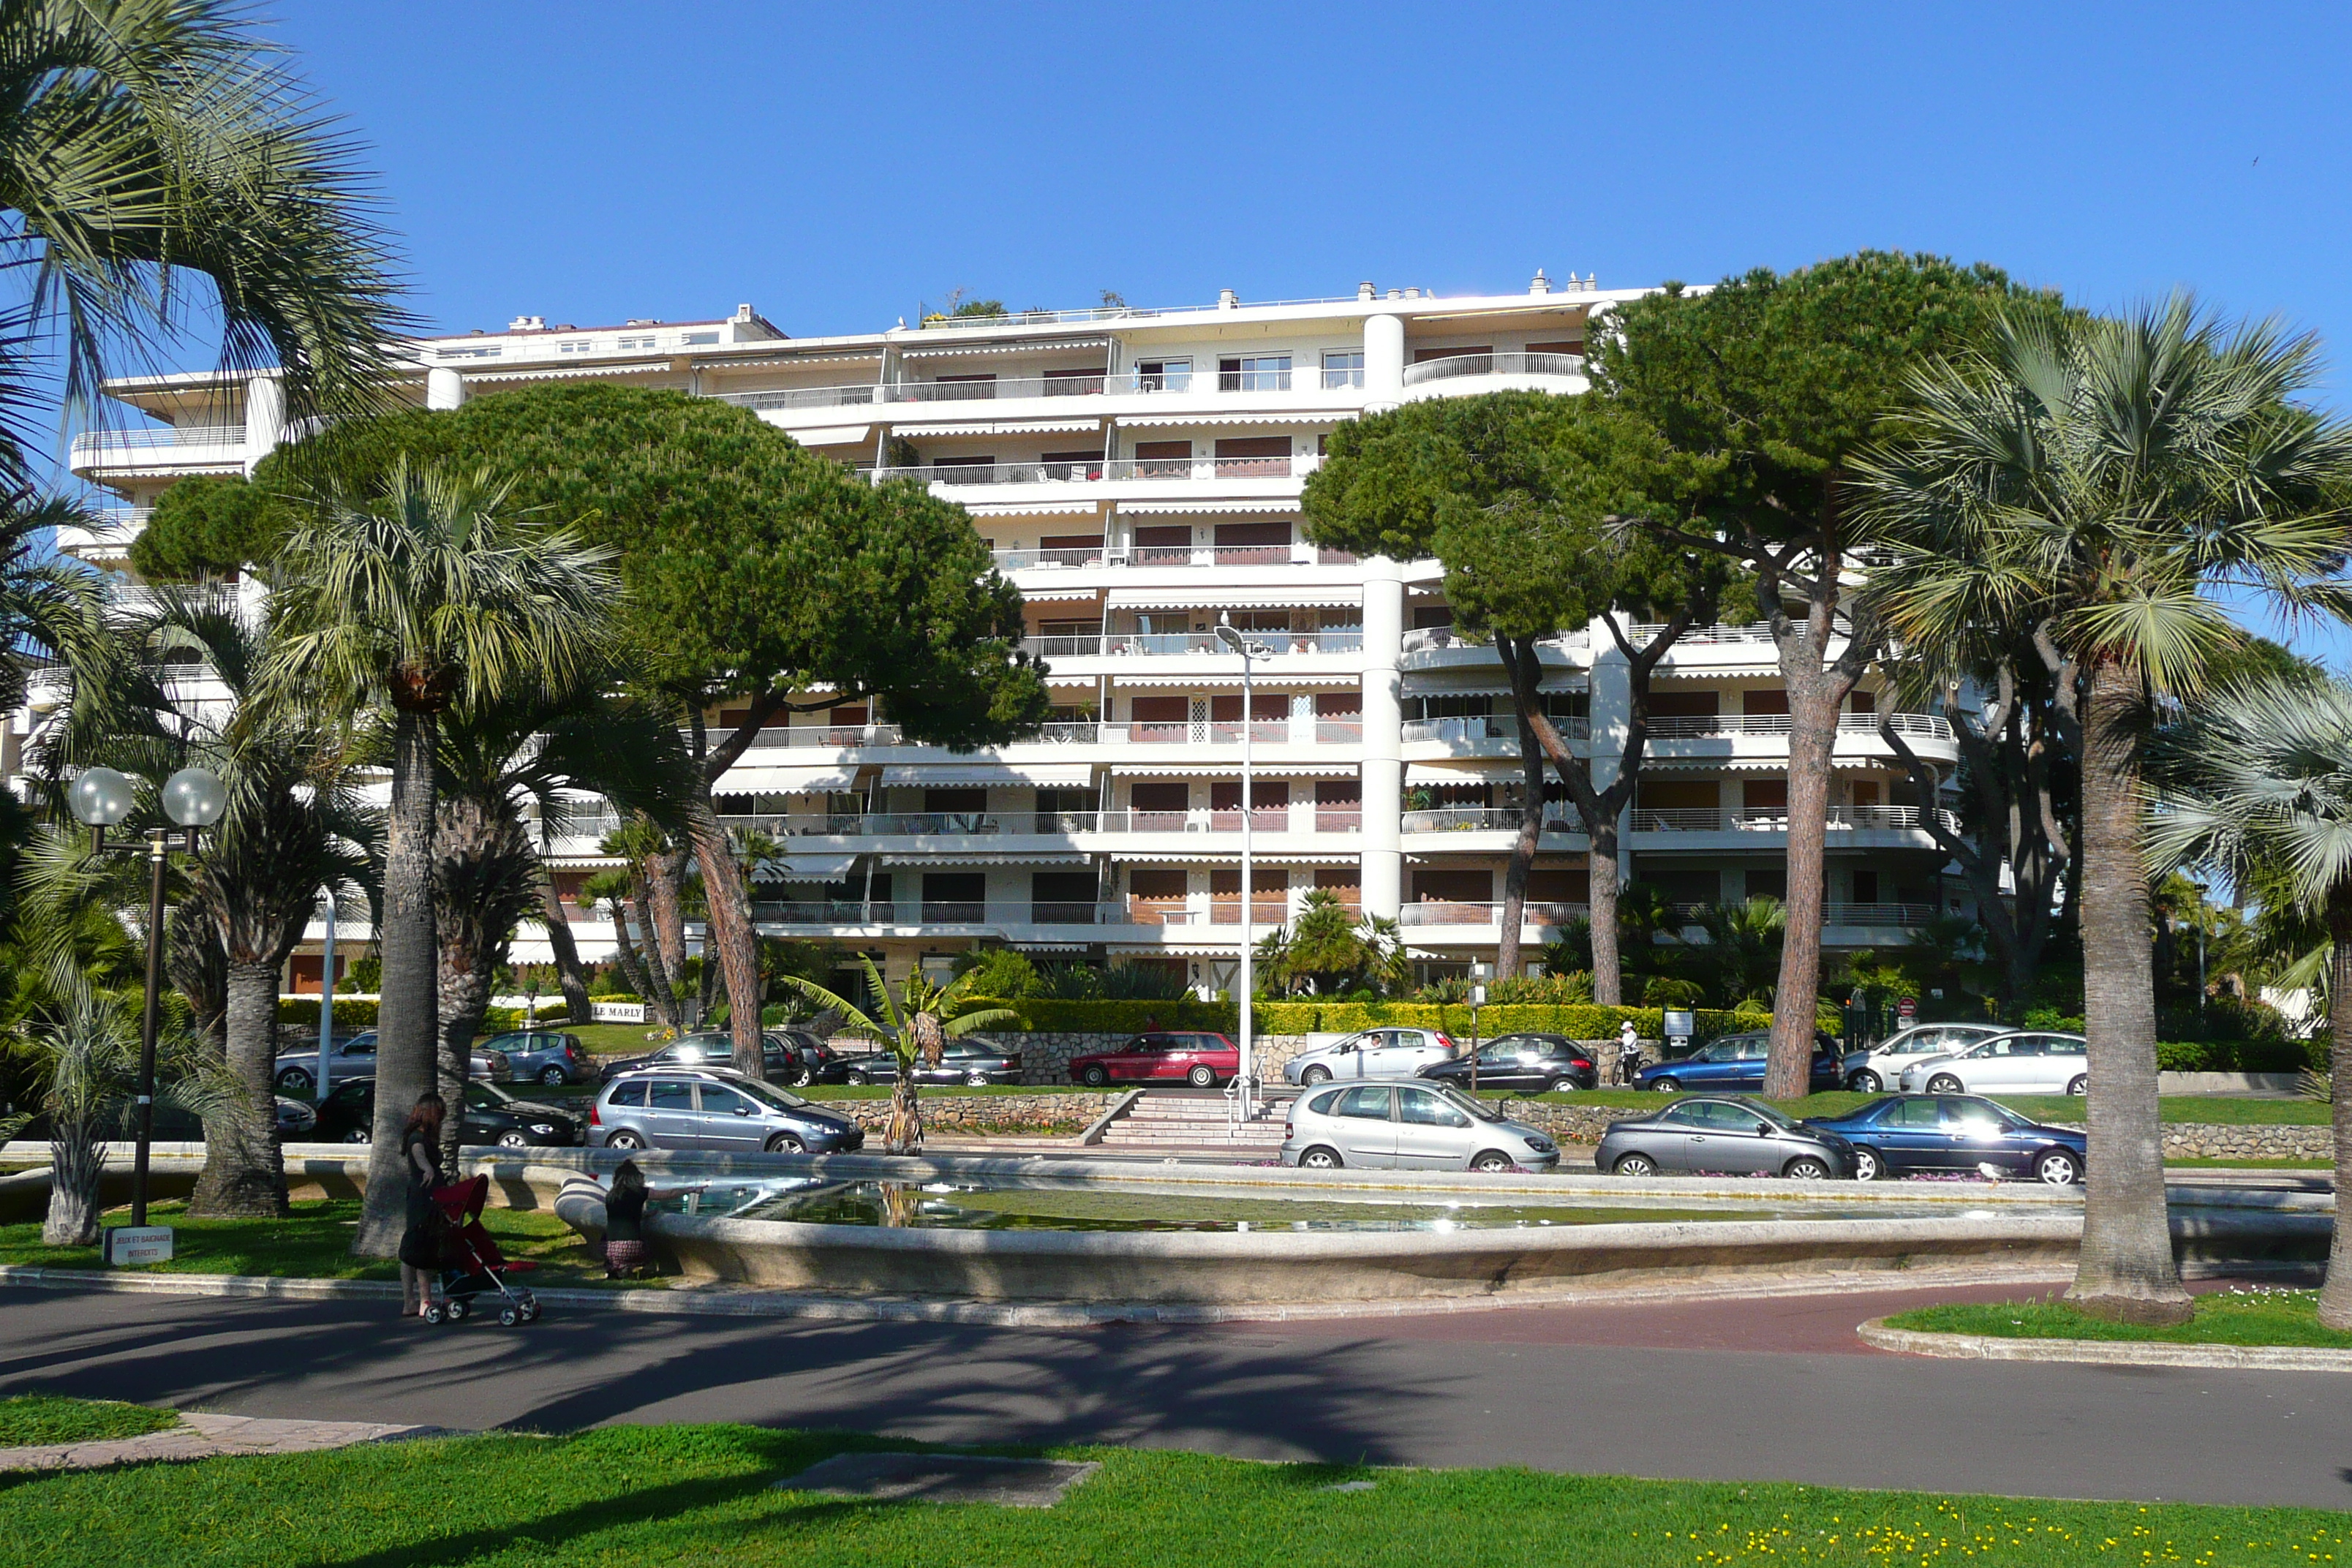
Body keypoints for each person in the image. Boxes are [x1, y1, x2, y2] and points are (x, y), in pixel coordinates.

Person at [397, 1093, 448, 1317]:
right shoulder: (417, 1139)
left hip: (428, 1194)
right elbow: (418, 1154)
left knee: (414, 1247)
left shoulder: (423, 1136)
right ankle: (421, 1301)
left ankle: (413, 1301)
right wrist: (427, 1168)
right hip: (422, 1197)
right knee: (418, 1247)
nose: (441, 1119)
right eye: (439, 1114)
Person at [603, 1158, 649, 1278]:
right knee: (647, 1242)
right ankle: (626, 1268)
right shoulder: (639, 1192)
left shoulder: (610, 1197)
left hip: (609, 1248)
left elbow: (624, 1213)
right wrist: (690, 1189)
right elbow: (668, 1194)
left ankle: (615, 1268)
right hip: (632, 1248)